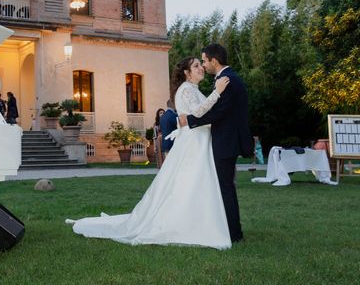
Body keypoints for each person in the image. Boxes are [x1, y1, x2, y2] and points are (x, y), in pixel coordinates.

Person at [67, 56, 232, 249]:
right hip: (193, 142)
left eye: (200, 65)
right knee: (190, 180)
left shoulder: (193, 89)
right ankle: (188, 224)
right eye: (196, 66)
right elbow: (197, 113)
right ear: (187, 73)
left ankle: (201, 221)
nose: (201, 68)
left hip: (199, 140)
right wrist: (217, 93)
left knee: (196, 181)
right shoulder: (185, 90)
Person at [179, 43, 253, 244]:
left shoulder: (226, 80)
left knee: (225, 187)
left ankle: (234, 234)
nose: (203, 65)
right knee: (225, 186)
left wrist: (191, 120)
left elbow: (219, 112)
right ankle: (229, 229)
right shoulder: (227, 78)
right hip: (226, 140)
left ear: (214, 60)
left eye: (204, 60)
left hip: (226, 141)